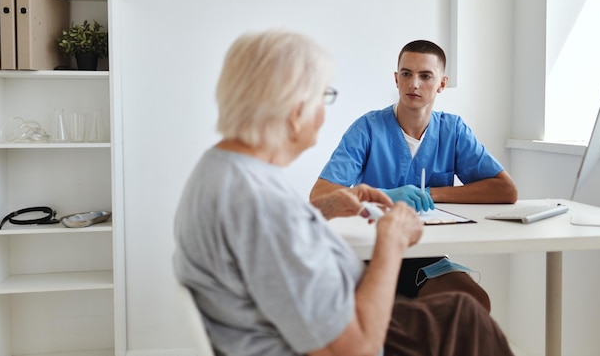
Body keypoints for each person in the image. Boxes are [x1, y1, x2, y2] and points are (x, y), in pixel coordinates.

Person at [173, 29, 515, 356]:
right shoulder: (256, 200)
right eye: (324, 96)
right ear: (296, 111)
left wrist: (319, 211)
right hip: (334, 339)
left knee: (463, 307)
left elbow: (272, 243)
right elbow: (354, 349)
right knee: (465, 318)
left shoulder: (222, 170)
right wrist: (391, 242)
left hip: (312, 324)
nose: (323, 114)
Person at [310, 39, 518, 309]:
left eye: (425, 76)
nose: (414, 84)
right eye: (406, 74)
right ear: (396, 79)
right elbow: (320, 194)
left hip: (424, 256)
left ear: (442, 83)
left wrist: (431, 194)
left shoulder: (453, 130)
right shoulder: (367, 128)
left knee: (472, 304)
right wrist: (382, 196)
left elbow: (505, 190)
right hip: (367, 252)